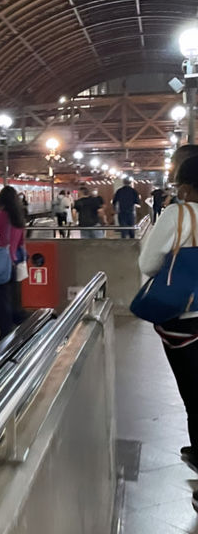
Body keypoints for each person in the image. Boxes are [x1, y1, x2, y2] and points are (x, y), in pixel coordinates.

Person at [138, 156, 198, 509]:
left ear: (186, 187)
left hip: (185, 318)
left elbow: (146, 263)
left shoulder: (180, 214)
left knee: (195, 397)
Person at [0, 186, 27, 346]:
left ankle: (4, 336)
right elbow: (21, 241)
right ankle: (20, 328)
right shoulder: (19, 216)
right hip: (14, 262)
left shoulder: (2, 215)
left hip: (1, 264)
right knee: (12, 300)